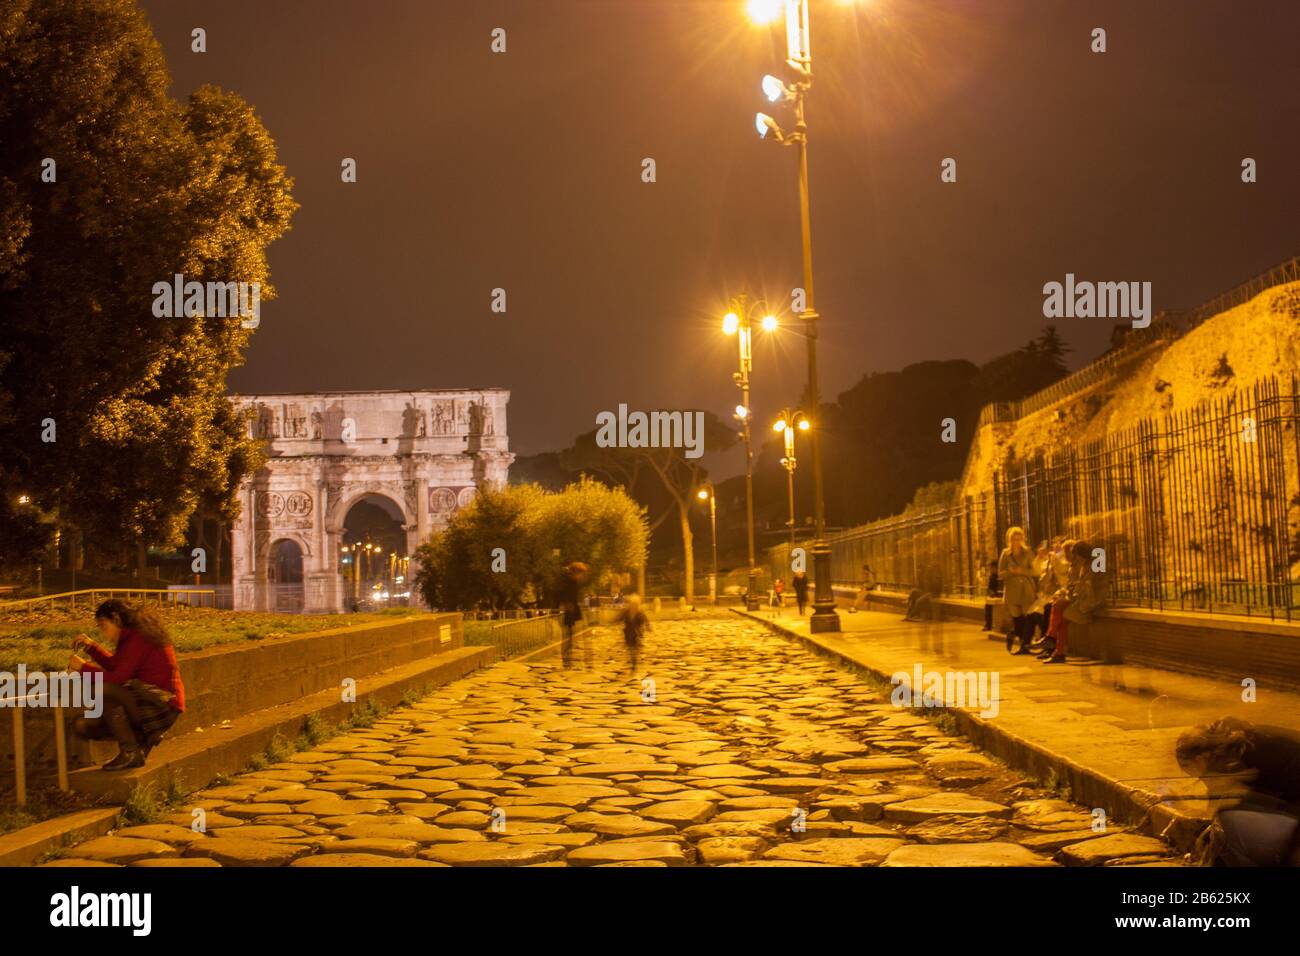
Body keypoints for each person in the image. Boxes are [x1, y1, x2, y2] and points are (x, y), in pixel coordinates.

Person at [70, 599, 186, 771]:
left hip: (160, 704)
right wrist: (91, 647)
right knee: (84, 725)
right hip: (149, 699)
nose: (103, 631)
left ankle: (131, 751)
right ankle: (139, 743)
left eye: (103, 625)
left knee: (103, 691)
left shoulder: (139, 638)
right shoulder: (132, 637)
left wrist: (83, 668)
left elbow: (117, 678)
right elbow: (117, 665)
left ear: (116, 618)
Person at [1177, 718, 1300, 866]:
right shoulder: (1233, 748)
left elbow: (1236, 803)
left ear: (1201, 758)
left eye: (1187, 765)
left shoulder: (1254, 755)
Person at [1044, 540, 1102, 664]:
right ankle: (1058, 651)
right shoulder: (1080, 565)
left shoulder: (1096, 563)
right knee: (1061, 616)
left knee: (1059, 607)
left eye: (1076, 555)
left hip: (1091, 602)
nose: (1074, 558)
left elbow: (1093, 584)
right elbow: (1077, 585)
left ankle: (1051, 638)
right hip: (1080, 599)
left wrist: (1076, 588)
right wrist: (1068, 591)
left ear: (1083, 554)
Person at [998, 526, 1037, 654]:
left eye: (1019, 539)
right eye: (1014, 539)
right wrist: (1010, 572)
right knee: (1017, 619)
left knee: (1027, 619)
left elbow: (1036, 571)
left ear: (1022, 539)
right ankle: (1021, 641)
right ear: (1010, 540)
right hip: (1011, 590)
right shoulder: (1005, 553)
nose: (1017, 541)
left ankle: (1024, 645)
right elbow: (1000, 574)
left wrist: (1022, 571)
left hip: (1026, 590)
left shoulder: (1028, 552)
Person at [556, 561, 590, 668]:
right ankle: (566, 660)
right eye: (581, 573)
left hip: (572, 611)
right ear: (576, 572)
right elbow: (562, 596)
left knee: (569, 636)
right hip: (568, 612)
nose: (582, 576)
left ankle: (567, 660)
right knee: (567, 636)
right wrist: (566, 605)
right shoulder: (568, 582)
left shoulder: (572, 582)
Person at [617, 593, 650, 673]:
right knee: (630, 648)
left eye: (636, 604)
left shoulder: (640, 612)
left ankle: (634, 662)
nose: (634, 605)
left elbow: (646, 620)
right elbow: (619, 617)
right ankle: (633, 661)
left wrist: (648, 626)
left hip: (637, 633)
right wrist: (612, 621)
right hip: (628, 632)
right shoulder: (626, 611)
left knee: (635, 648)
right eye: (633, 603)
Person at [982, 560, 1001, 632]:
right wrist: (991, 593)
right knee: (988, 607)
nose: (991, 570)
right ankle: (988, 624)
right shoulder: (992, 576)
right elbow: (990, 587)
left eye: (992, 568)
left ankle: (992, 625)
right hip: (993, 595)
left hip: (999, 595)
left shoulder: (1000, 575)